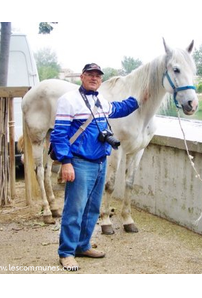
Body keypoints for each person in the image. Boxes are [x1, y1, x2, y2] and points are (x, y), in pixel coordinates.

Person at [50, 63, 139, 271]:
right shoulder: (69, 100)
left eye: (98, 76)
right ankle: (67, 253)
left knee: (91, 209)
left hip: (100, 162)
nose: (94, 78)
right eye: (90, 74)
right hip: (79, 162)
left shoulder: (101, 101)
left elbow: (119, 109)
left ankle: (83, 246)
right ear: (82, 76)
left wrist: (138, 99)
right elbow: (58, 134)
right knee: (74, 210)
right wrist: (66, 162)